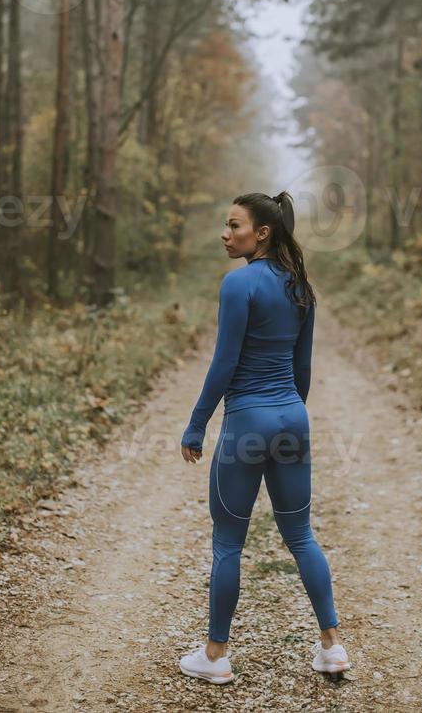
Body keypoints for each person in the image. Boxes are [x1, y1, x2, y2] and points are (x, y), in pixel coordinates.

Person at [179, 191, 351, 685]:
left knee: (228, 542)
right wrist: (285, 415)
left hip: (248, 422)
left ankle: (215, 657)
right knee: (301, 535)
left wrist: (197, 423)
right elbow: (302, 370)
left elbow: (225, 364)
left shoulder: (239, 285)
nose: (225, 233)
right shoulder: (302, 286)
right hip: (292, 417)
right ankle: (333, 647)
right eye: (225, 225)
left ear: (262, 233)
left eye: (234, 225)